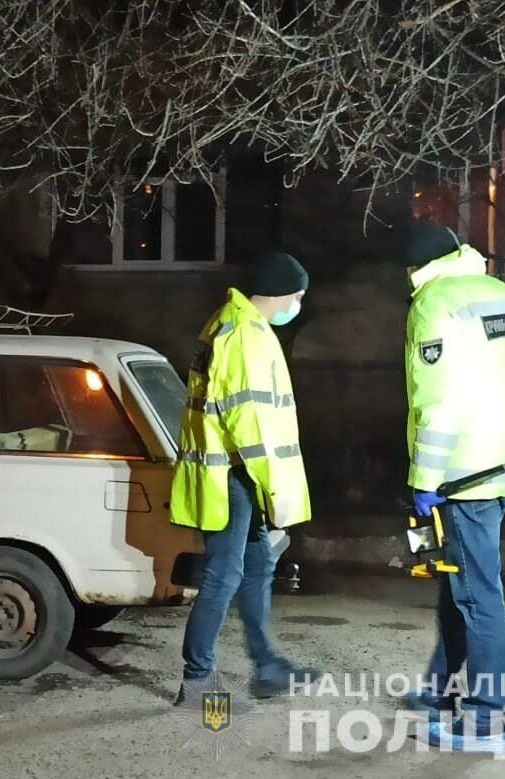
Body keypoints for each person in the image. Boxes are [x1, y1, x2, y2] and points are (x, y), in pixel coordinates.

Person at [401, 223, 505, 754]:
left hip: (464, 475)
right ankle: (438, 694)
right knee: (463, 586)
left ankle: (484, 721)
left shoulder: (433, 304)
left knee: (477, 597)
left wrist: (426, 479)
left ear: (414, 268)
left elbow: (438, 401)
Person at [170, 250, 317, 702]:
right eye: (299, 296)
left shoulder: (231, 322)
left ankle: (267, 667)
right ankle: (196, 679)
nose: (299, 304)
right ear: (284, 293)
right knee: (223, 576)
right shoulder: (245, 335)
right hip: (235, 475)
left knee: (257, 567)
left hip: (236, 473)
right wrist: (275, 488)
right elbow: (250, 421)